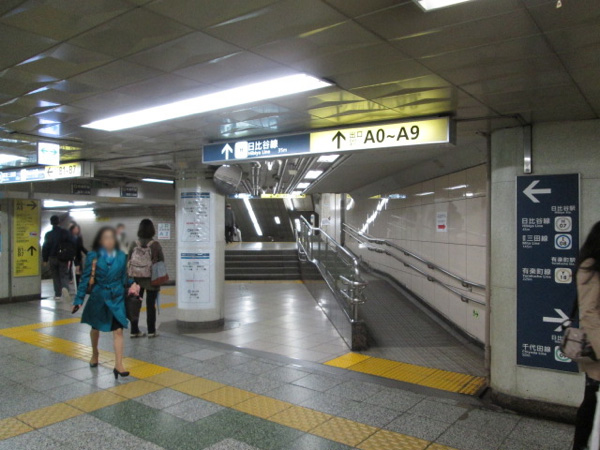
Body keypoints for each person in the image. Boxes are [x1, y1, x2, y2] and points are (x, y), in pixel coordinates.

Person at [71, 226, 131, 379]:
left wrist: (133, 285)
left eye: (111, 238)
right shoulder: (93, 256)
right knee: (95, 328)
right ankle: (95, 353)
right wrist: (78, 299)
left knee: (118, 330)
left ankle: (119, 365)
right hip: (99, 297)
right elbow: (85, 279)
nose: (109, 241)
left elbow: (125, 277)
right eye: (105, 238)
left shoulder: (122, 256)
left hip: (116, 297)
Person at [573, 221, 600, 449]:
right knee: (592, 399)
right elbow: (589, 313)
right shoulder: (590, 267)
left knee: (592, 398)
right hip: (596, 348)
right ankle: (581, 444)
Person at [128, 219, 165, 338]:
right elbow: (161, 261)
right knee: (150, 306)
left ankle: (134, 331)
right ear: (152, 230)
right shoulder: (155, 245)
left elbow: (128, 260)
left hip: (136, 280)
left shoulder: (134, 244)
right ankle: (151, 331)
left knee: (135, 305)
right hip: (151, 280)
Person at [42, 215, 71, 301]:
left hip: (52, 257)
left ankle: (58, 294)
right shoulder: (65, 233)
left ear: (51, 223)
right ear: (59, 222)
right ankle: (65, 288)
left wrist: (45, 259)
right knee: (64, 274)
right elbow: (70, 244)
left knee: (55, 276)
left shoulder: (48, 234)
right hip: (63, 258)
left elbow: (45, 247)